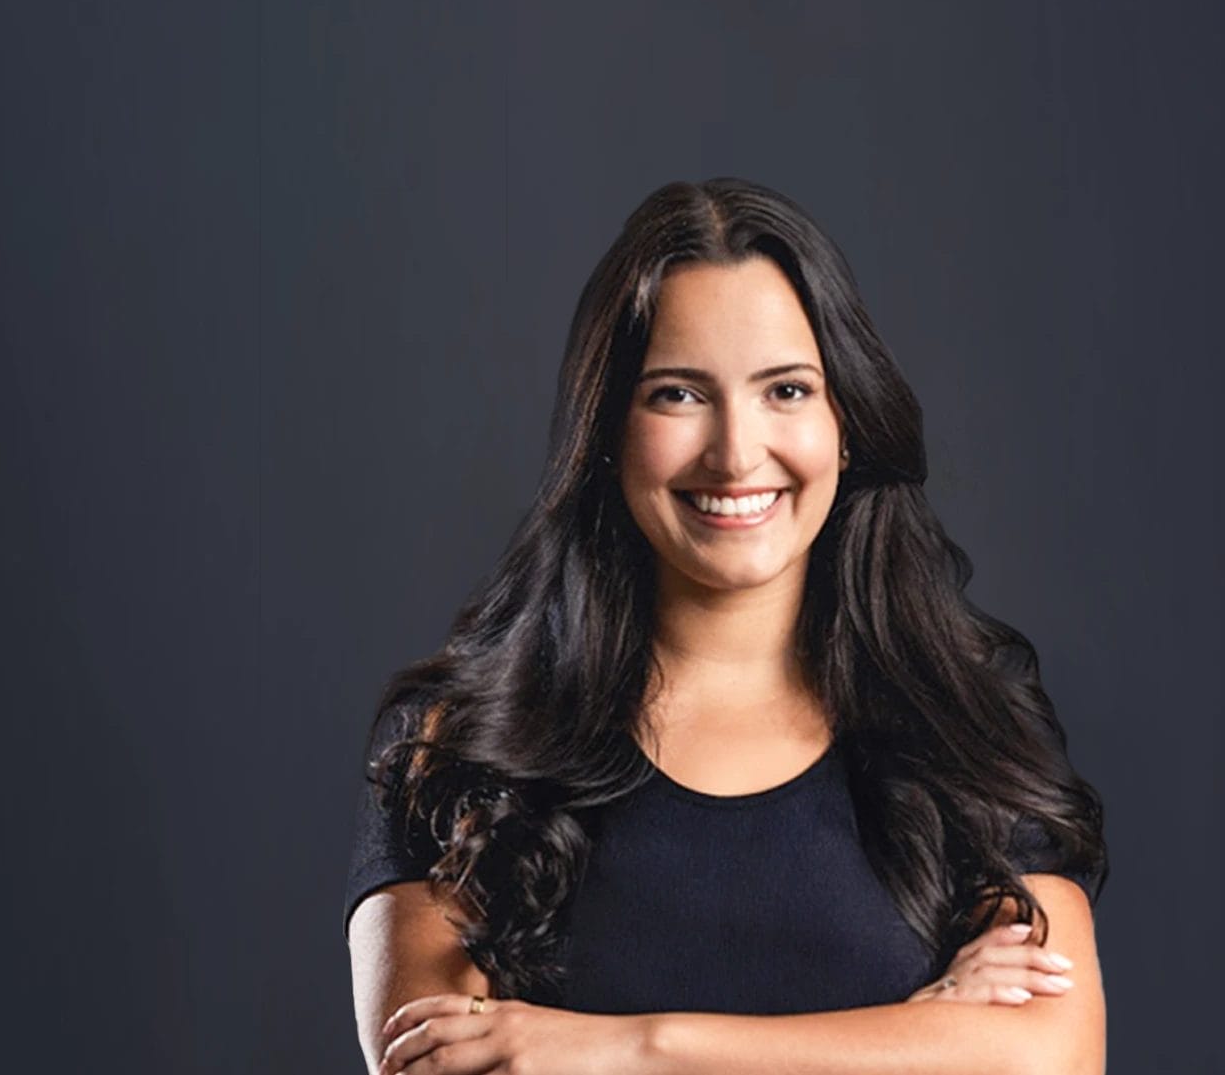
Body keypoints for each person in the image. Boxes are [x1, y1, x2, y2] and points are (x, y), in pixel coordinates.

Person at [344, 177, 1109, 1074]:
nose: (738, 452)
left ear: (847, 421)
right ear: (607, 429)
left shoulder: (967, 725)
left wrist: (628, 1047)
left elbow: (1049, 1060)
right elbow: (440, 1066)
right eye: (677, 394)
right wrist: (916, 1036)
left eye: (787, 389)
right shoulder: (461, 740)